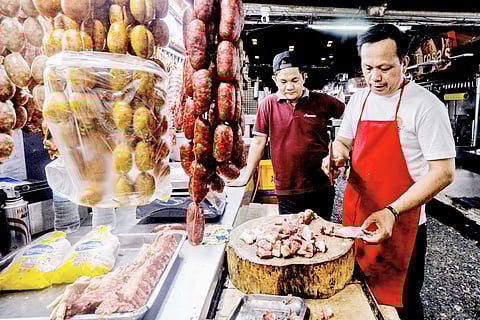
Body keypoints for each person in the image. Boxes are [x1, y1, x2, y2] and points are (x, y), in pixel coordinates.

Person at [322, 24, 456, 319]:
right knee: (358, 298)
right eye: (367, 68)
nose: (375, 77)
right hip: (357, 223)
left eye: (385, 68)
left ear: (404, 63)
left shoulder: (425, 106)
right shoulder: (359, 100)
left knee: (401, 304)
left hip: (401, 225)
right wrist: (337, 155)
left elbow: (444, 172)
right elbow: (344, 140)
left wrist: (391, 212)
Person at [230, 50, 345, 220]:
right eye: (283, 81)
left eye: (294, 80)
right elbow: (259, 142)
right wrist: (246, 176)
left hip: (321, 186)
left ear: (304, 77)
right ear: (275, 79)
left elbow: (350, 119)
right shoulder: (268, 104)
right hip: (287, 189)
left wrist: (337, 150)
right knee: (291, 238)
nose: (289, 87)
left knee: (322, 236)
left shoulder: (322, 101)